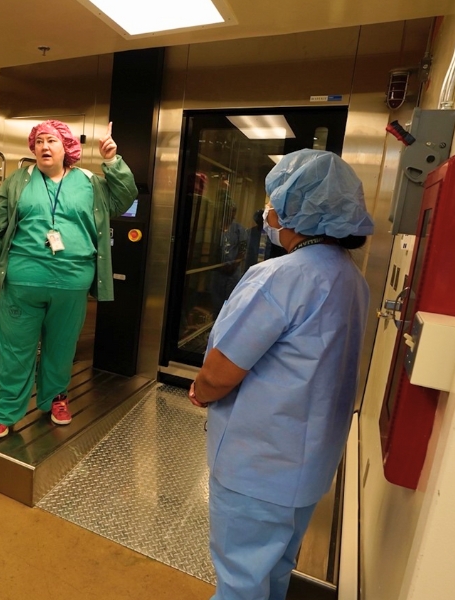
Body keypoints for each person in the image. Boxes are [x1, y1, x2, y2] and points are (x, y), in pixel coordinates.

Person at [188, 149, 374, 600]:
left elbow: (221, 371)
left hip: (259, 466)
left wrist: (200, 390)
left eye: (274, 201)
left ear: (298, 209)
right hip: (307, 468)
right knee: (274, 570)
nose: (267, 212)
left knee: (239, 581)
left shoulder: (278, 277)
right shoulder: (351, 279)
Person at [0, 120, 137, 438]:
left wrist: (111, 161)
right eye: (38, 141)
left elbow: (125, 196)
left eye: (51, 141)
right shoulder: (17, 182)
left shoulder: (91, 183)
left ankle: (55, 399)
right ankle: (7, 411)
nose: (44, 146)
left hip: (72, 284)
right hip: (22, 284)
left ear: (67, 148)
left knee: (61, 348)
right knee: (14, 349)